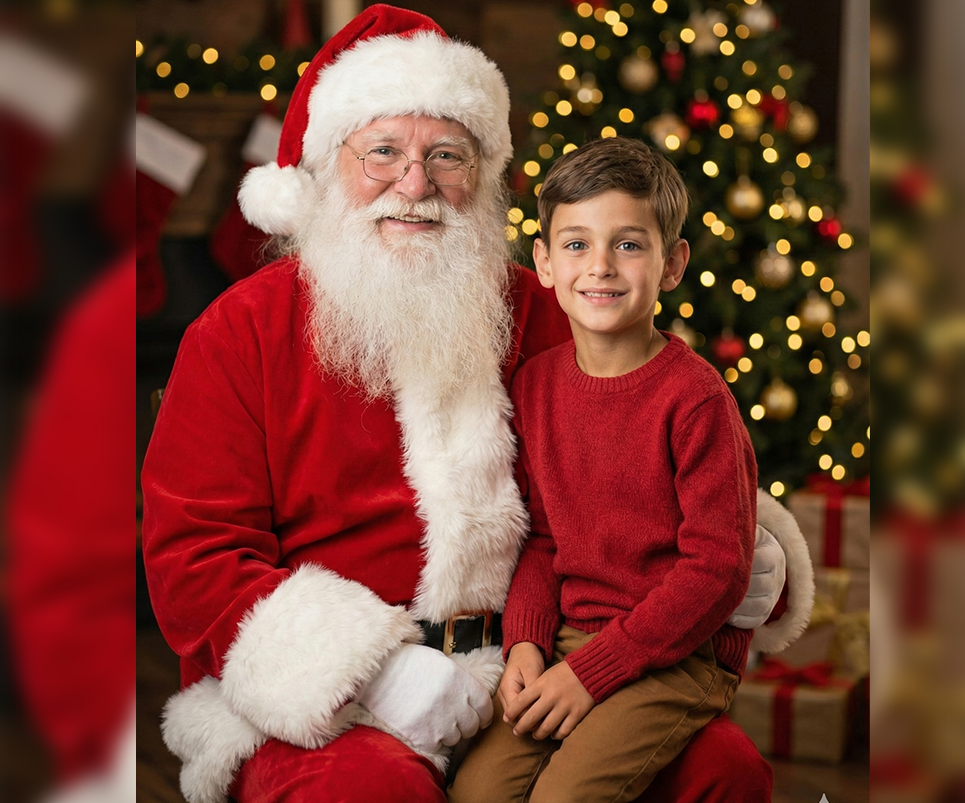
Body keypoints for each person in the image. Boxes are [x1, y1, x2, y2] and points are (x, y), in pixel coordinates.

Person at [139, 6, 812, 803]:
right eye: (382, 152)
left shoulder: (544, 308)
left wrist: (749, 541)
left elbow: (649, 440)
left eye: (446, 155)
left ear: (483, 174)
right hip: (342, 704)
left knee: (719, 771)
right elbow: (195, 557)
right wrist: (379, 674)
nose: (415, 184)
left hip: (539, 665)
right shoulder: (240, 331)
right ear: (325, 167)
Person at [451, 137, 758, 803]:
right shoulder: (534, 386)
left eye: (627, 244)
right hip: (565, 638)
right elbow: (541, 538)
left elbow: (717, 570)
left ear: (671, 263)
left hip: (676, 654)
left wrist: (594, 670)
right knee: (476, 790)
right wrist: (526, 645)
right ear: (543, 262)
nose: (600, 266)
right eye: (576, 244)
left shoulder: (695, 398)